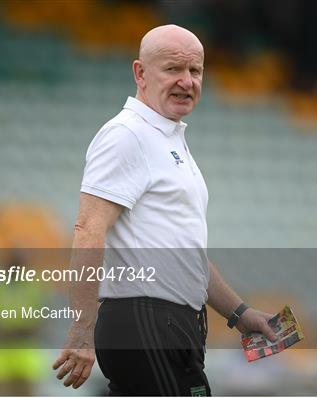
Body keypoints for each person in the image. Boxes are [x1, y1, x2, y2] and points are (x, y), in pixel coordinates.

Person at [53, 24, 277, 396]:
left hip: (171, 325)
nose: (186, 81)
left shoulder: (167, 140)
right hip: (145, 322)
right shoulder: (128, 135)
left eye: (195, 71)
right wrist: (81, 332)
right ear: (140, 73)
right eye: (173, 69)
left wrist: (240, 315)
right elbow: (87, 229)